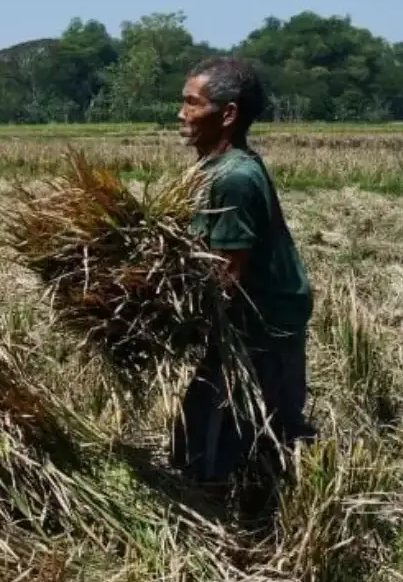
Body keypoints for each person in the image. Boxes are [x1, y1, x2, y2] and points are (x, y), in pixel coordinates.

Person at [170, 56, 317, 510]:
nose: (181, 113)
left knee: (232, 434)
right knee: (216, 424)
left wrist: (174, 321)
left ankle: (240, 522)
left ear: (228, 114)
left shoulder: (233, 178)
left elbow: (226, 274)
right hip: (252, 317)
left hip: (262, 323)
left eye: (192, 103)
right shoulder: (216, 169)